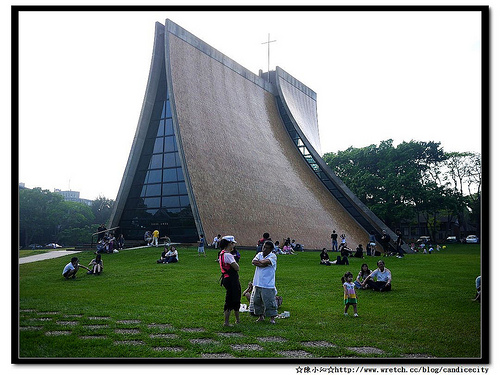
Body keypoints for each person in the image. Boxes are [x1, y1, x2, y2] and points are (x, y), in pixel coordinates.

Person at [252, 240, 278, 324]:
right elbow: (254, 262)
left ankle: (272, 318)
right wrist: (262, 263)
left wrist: (261, 263)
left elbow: (266, 262)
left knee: (269, 301)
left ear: (271, 249)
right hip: (258, 282)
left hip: (267, 284)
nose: (264, 249)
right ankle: (261, 316)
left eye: (266, 248)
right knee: (257, 301)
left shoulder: (273, 256)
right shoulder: (259, 254)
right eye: (264, 247)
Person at [218, 235, 241, 326]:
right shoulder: (228, 255)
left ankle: (236, 320)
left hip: (226, 278)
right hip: (231, 279)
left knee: (232, 297)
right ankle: (228, 322)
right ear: (229, 244)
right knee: (233, 299)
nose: (234, 246)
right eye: (233, 244)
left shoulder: (221, 253)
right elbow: (236, 267)